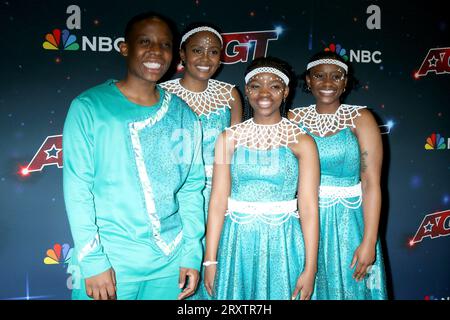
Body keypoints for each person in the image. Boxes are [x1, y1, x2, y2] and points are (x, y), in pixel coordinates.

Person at [63, 12, 205, 300]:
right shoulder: (89, 107)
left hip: (169, 262)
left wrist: (192, 251)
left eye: (165, 44)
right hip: (111, 263)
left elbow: (191, 187)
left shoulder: (183, 114)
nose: (156, 51)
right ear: (125, 48)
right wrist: (93, 261)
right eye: (145, 42)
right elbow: (77, 188)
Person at [203, 57, 320, 300]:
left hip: (284, 243)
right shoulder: (228, 138)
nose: (264, 93)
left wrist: (310, 268)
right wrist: (210, 260)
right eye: (256, 85)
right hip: (236, 242)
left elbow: (308, 208)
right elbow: (217, 202)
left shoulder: (303, 141)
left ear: (286, 91)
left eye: (274, 86)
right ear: (247, 90)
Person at [288, 51, 388, 299]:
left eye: (336, 76)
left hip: (349, 223)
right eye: (319, 76)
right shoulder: (293, 119)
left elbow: (371, 184)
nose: (328, 83)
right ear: (308, 80)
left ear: (345, 82)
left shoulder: (361, 118)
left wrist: (369, 240)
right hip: (303, 223)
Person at [160, 23, 242, 299]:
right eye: (197, 50)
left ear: (221, 58)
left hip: (220, 193)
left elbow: (235, 152)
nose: (205, 58)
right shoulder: (162, 93)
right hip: (175, 194)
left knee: (216, 269)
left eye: (213, 51)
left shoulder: (230, 94)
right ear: (182, 54)